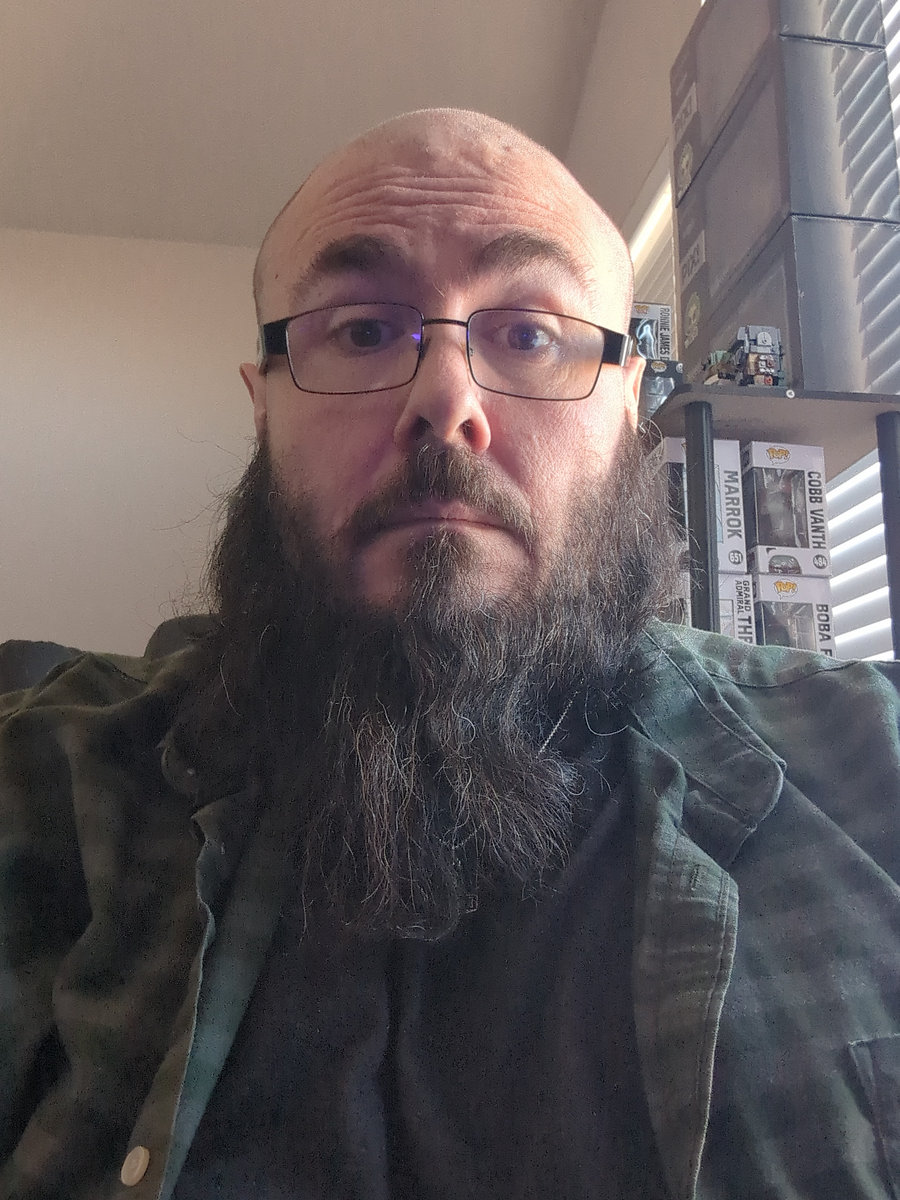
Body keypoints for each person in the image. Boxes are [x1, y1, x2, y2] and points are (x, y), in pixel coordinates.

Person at [1, 107, 900, 1200]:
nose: (445, 401)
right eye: (362, 332)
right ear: (263, 409)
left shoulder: (875, 765)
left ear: (628, 407)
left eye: (530, 333)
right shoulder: (46, 784)